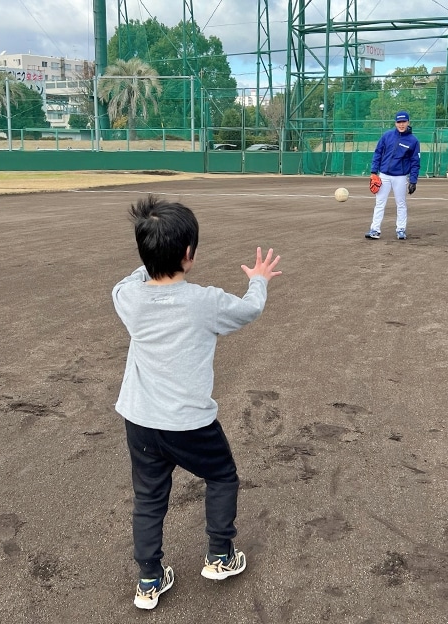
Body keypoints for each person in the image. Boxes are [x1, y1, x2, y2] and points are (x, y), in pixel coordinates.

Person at [111, 195, 282, 610]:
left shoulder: (128, 298)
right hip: (190, 423)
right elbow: (249, 310)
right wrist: (258, 279)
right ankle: (220, 556)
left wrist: (149, 259)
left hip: (140, 420)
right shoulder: (206, 301)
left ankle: (149, 579)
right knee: (222, 477)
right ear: (189, 255)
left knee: (149, 497)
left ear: (144, 252)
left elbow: (130, 280)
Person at [365, 110, 421, 241]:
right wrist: (374, 172)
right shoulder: (387, 136)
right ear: (395, 123)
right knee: (379, 203)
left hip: (400, 176)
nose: (401, 125)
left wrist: (413, 180)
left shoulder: (413, 141)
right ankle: (375, 230)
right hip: (384, 175)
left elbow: (415, 162)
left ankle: (401, 229)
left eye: (404, 122)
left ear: (408, 122)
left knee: (401, 203)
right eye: (399, 122)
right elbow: (378, 153)